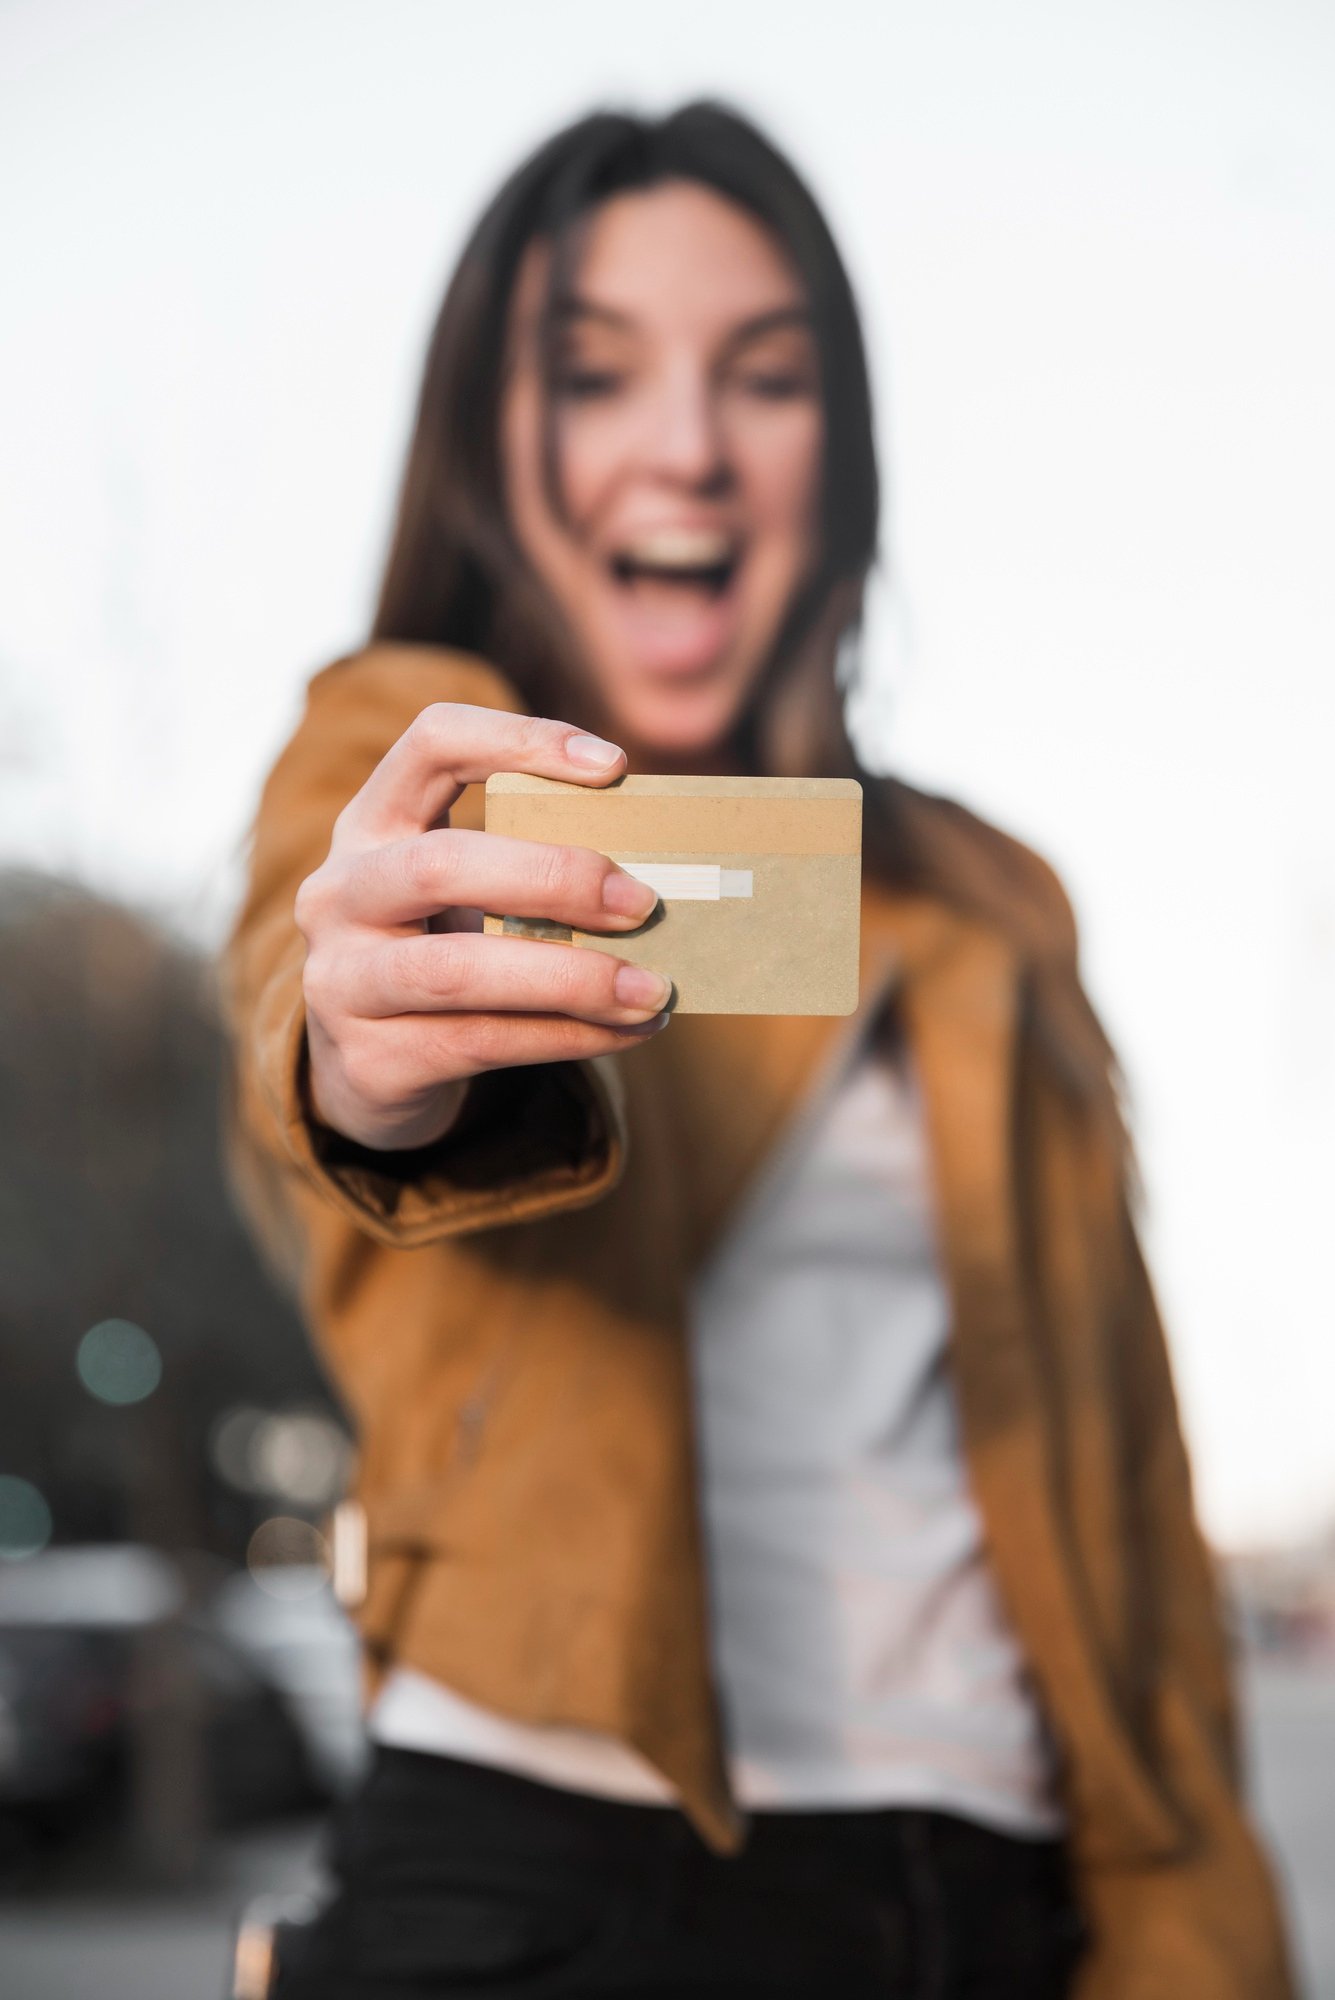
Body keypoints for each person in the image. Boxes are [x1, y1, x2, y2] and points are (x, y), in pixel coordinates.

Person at [222, 102, 1293, 1998]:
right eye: (596, 372)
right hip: (547, 1877)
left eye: (767, 377)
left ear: (844, 453)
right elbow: (304, 1033)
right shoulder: (402, 754)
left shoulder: (990, 903)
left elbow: (1124, 1489)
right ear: (492, 442)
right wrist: (370, 1060)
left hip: (999, 1898)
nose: (691, 443)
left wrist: (1192, 1927)